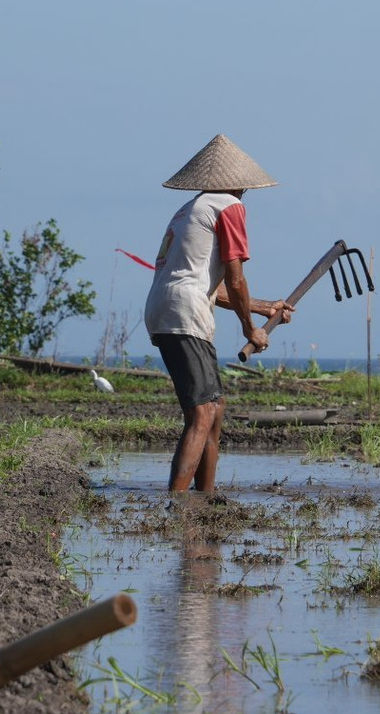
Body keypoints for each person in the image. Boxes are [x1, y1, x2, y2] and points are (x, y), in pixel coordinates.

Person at [144, 133, 294, 493]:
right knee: (202, 413)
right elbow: (235, 277)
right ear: (239, 186)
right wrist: (250, 328)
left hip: (168, 306)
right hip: (185, 313)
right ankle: (177, 504)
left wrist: (264, 306)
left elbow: (210, 285)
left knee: (215, 408)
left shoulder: (191, 209)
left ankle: (205, 497)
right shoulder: (229, 207)